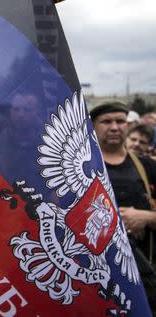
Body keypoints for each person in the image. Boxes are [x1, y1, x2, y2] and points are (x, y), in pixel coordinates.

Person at [90, 100, 156, 310]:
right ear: (93, 126)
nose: (114, 127)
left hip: (143, 273)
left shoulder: (146, 166)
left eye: (120, 121)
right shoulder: (82, 166)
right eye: (106, 121)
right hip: (97, 276)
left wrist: (146, 217)